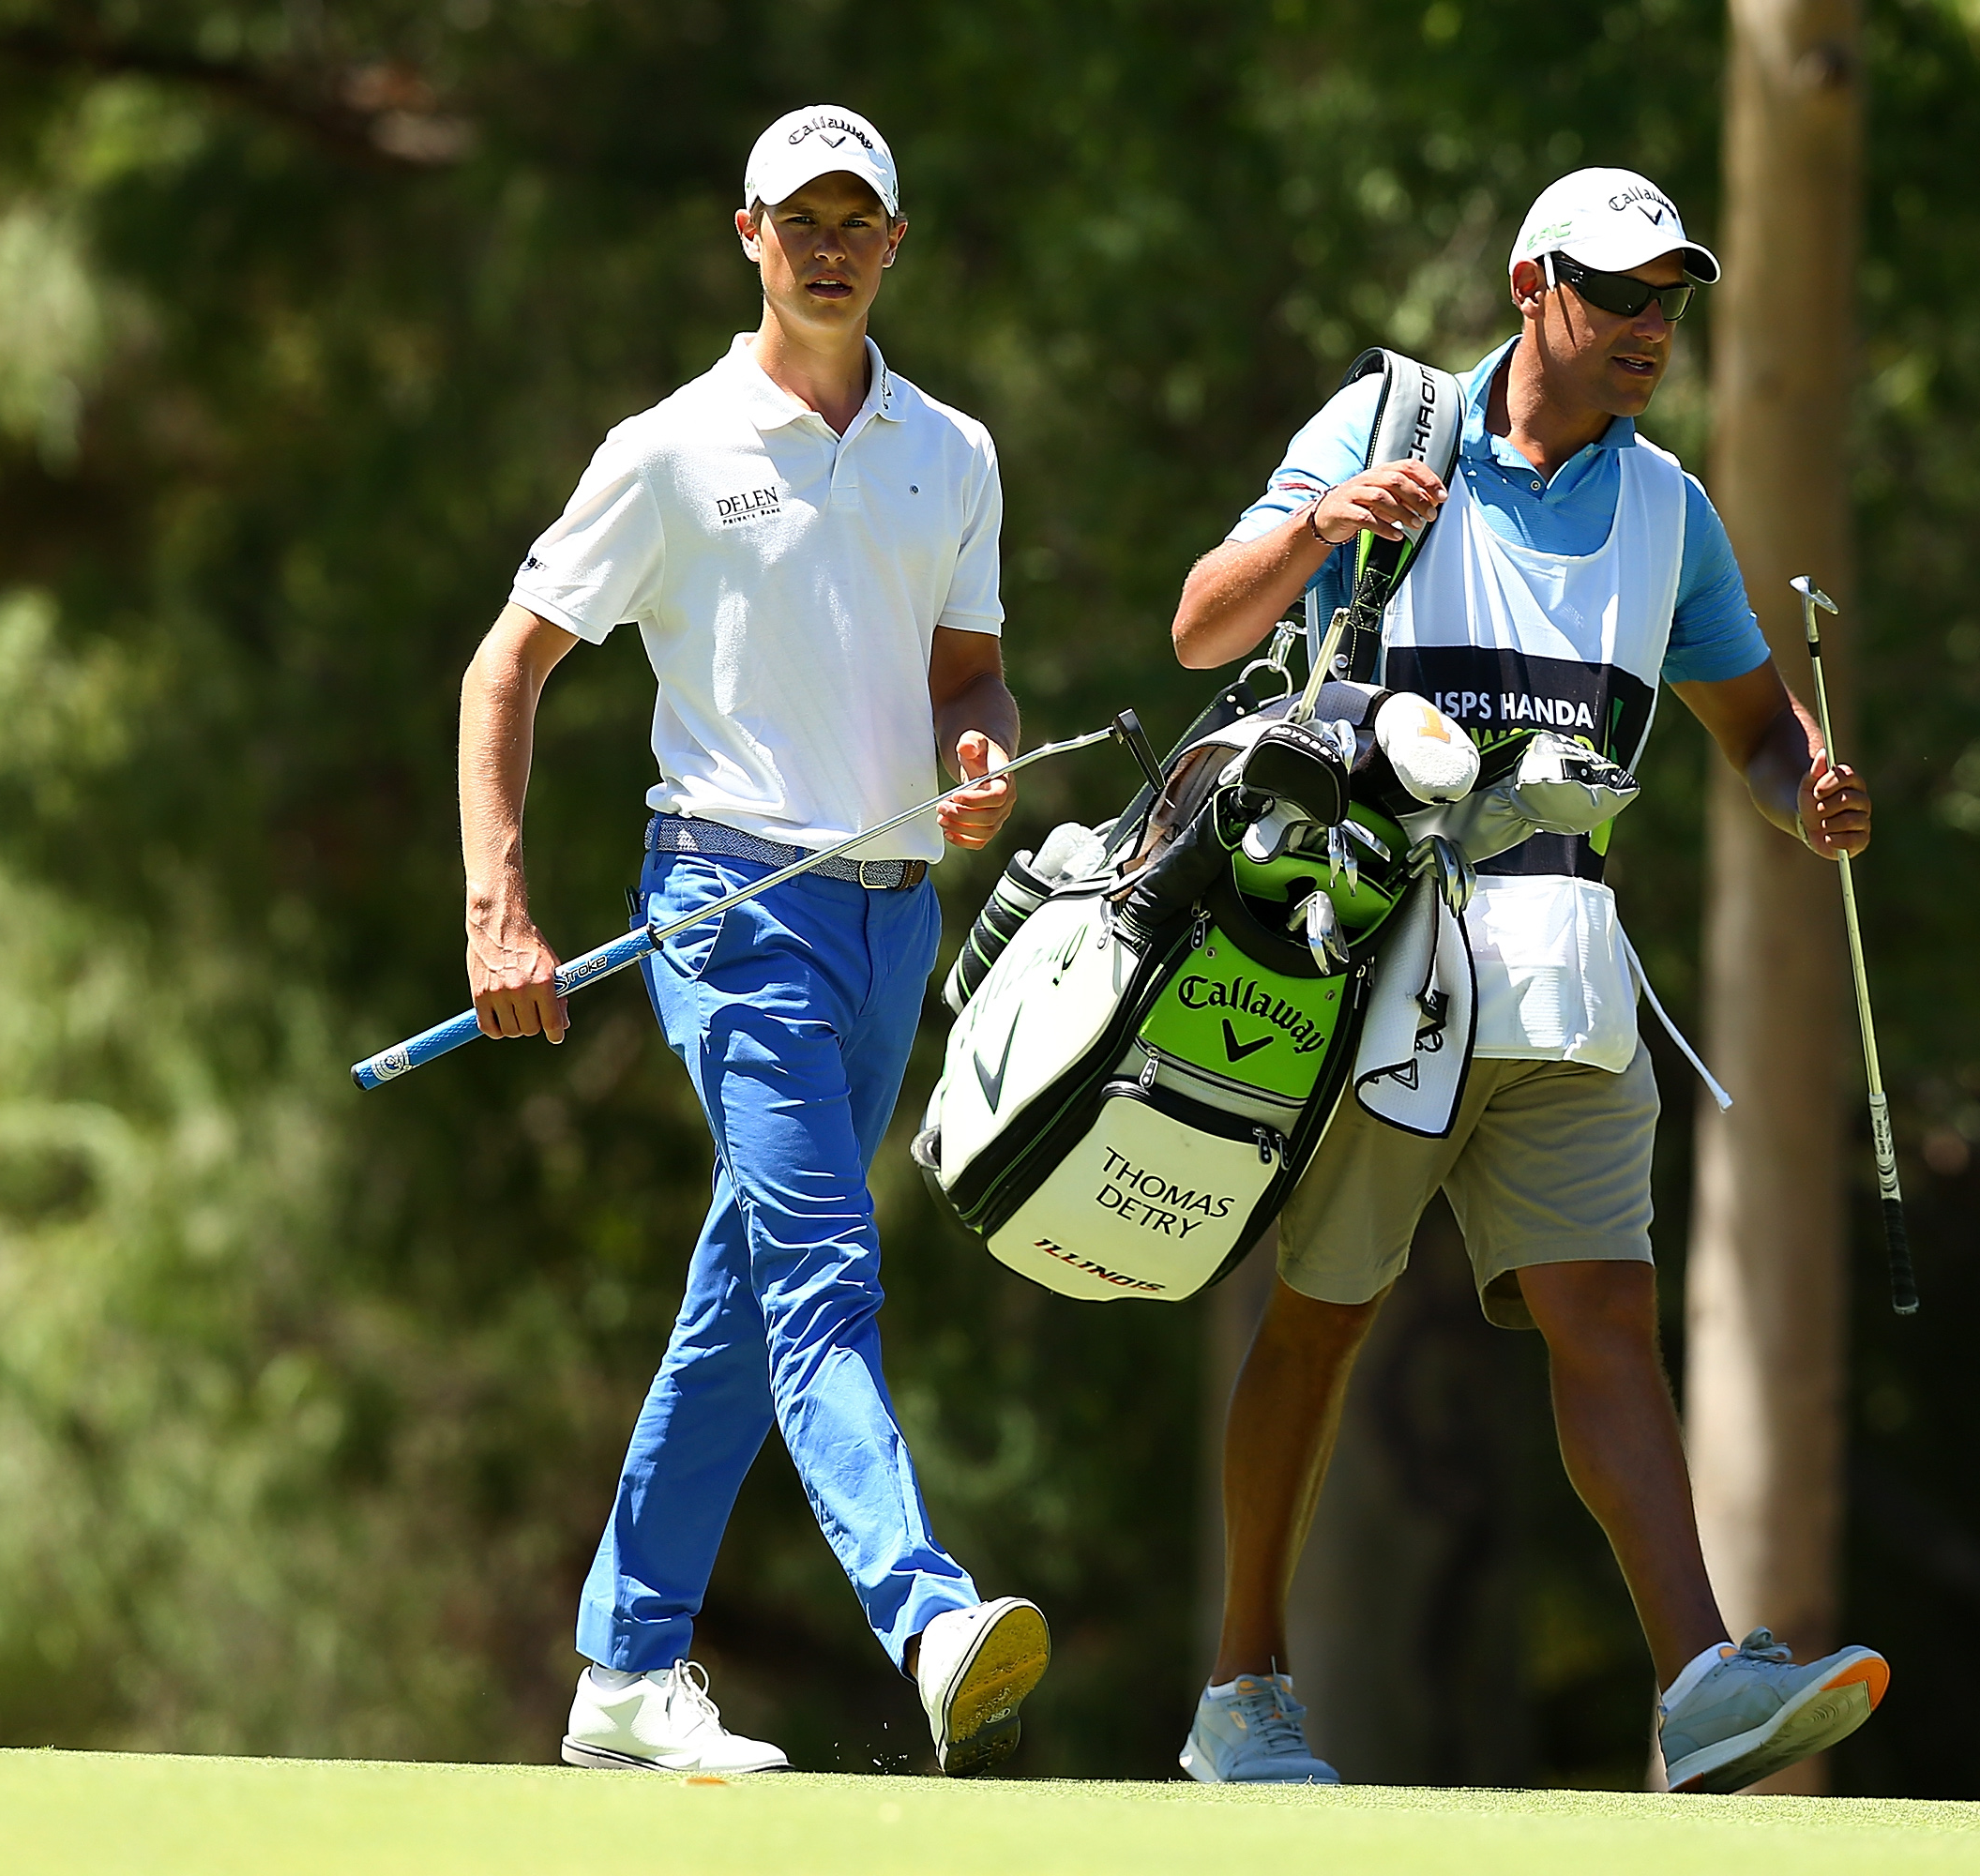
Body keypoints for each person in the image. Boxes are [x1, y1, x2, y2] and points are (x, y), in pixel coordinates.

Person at [1168, 167, 1889, 1793]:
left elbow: (1760, 731)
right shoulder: (1390, 424)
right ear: (1529, 285)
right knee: (1321, 1323)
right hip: (1371, 957)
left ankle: (1698, 1678)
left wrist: (1809, 795)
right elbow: (1202, 629)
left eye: (1670, 299)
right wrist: (1326, 522)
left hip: (1568, 969)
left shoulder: (1670, 511)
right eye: (1618, 293)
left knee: (1607, 1313)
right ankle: (1242, 1692)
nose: (1650, 327)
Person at [457, 104, 1047, 1778]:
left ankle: (625, 1671)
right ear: (749, 237)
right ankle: (927, 1612)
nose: (831, 244)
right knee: (821, 1274)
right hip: (730, 910)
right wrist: (500, 905)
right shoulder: (670, 447)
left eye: (859, 218)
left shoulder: (956, 449)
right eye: (803, 218)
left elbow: (968, 674)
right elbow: (507, 669)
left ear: (895, 244)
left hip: (888, 925)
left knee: (746, 1292)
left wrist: (983, 752)